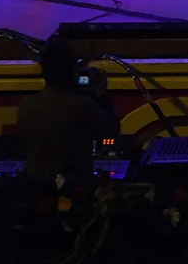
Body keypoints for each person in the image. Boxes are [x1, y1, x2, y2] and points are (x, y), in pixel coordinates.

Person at [16, 41, 121, 190]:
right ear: (72, 72)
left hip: (36, 187)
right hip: (74, 188)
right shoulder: (83, 105)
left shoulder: (26, 103)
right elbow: (112, 129)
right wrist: (101, 93)